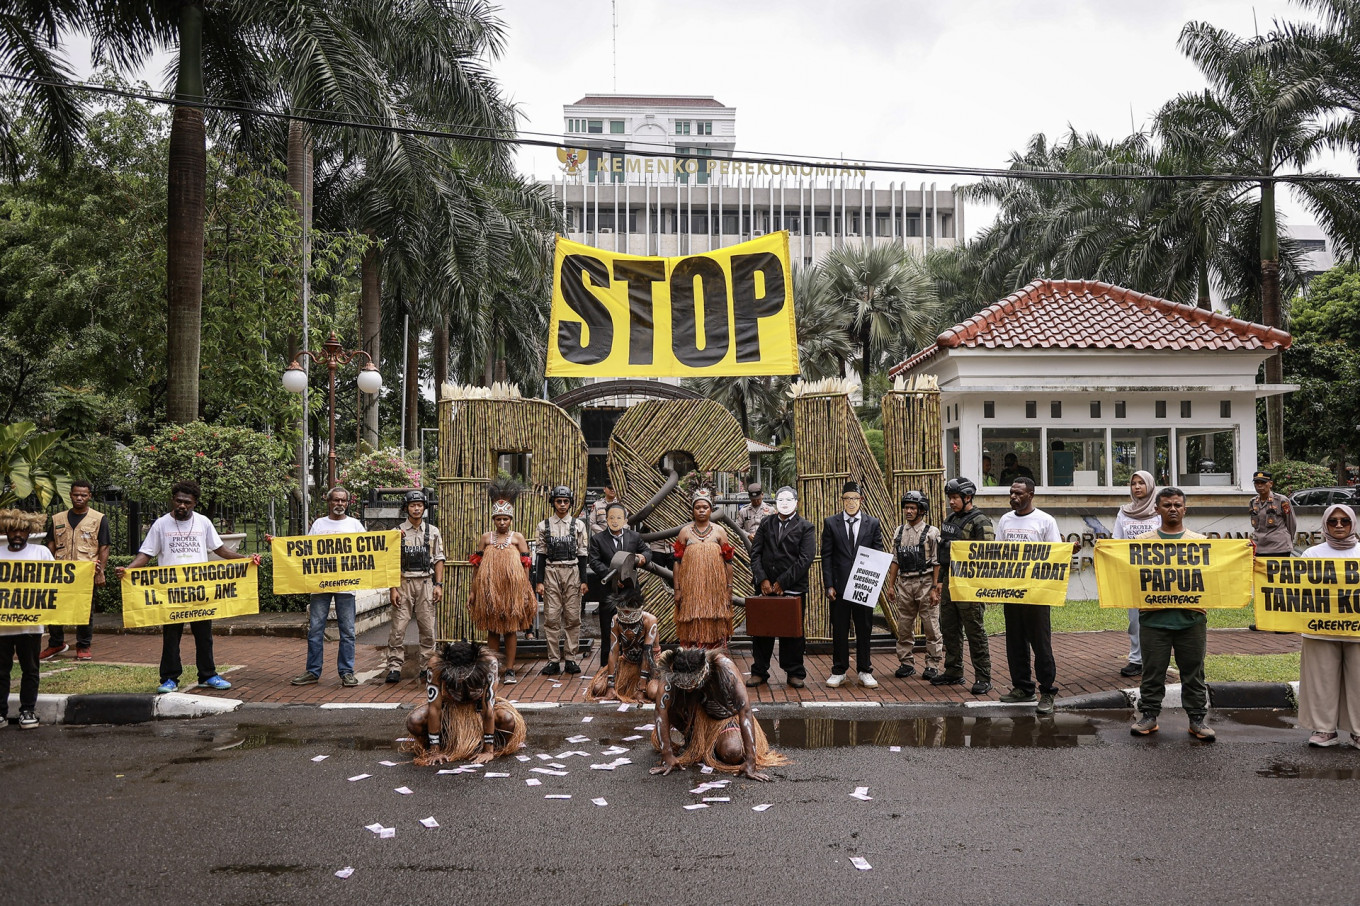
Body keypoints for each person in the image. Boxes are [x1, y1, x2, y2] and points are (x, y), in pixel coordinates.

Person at [116, 480, 259, 694]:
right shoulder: (161, 524)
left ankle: (208, 675)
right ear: (173, 500)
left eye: (187, 502)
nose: (182, 505)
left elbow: (219, 549)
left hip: (199, 589)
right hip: (171, 592)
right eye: (178, 501)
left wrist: (246, 559)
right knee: (171, 636)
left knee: (204, 634)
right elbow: (146, 553)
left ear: (195, 503)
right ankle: (169, 678)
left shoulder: (203, 522)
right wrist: (127, 570)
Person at [1129, 488, 1215, 741]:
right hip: (1154, 620)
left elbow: (1213, 578)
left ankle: (1197, 719)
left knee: (1194, 672)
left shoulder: (1199, 542)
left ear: (1185, 509)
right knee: (1152, 671)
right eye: (1167, 505)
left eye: (1178, 504)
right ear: (1157, 509)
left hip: (1191, 619)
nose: (1173, 509)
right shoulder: (1142, 543)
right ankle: (1149, 716)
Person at [995, 477, 1078, 714]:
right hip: (1012, 592)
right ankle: (1022, 687)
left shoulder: (1045, 521)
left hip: (1038, 594)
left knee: (1041, 645)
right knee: (1015, 642)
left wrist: (1068, 551)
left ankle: (1047, 691)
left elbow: (1054, 555)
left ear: (1031, 495)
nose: (1013, 497)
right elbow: (998, 553)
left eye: (1019, 493)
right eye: (1011, 493)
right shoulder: (1005, 520)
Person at [649, 647, 786, 780]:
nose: (690, 690)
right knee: (663, 698)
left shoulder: (725, 668)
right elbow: (661, 711)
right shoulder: (671, 673)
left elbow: (745, 710)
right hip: (695, 719)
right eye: (686, 686)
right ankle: (694, 741)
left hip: (725, 718)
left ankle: (712, 744)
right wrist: (666, 754)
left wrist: (751, 760)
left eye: (693, 684)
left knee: (732, 752)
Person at [280, 487, 366, 688]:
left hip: (346, 586)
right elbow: (305, 551)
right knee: (316, 629)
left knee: (348, 631)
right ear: (329, 502)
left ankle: (346, 672)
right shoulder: (319, 524)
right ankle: (312, 671)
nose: (339, 504)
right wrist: (278, 545)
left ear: (347, 503)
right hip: (320, 584)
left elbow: (370, 547)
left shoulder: (354, 524)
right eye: (336, 500)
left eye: (343, 501)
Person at [403, 641, 526, 766]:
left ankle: (491, 745)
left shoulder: (489, 663)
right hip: (451, 707)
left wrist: (488, 750)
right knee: (415, 721)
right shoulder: (435, 664)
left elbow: (488, 707)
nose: (461, 677)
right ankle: (440, 745)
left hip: (479, 707)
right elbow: (434, 708)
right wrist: (435, 752)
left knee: (507, 719)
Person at [1296, 504, 1360, 747]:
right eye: (1333, 521)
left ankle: (1358, 731)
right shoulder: (1312, 555)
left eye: (1345, 520)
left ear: (1353, 523)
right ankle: (1324, 730)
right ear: (1325, 524)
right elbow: (1297, 591)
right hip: (1319, 629)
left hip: (1357, 630)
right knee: (1320, 680)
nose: (1339, 525)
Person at [931, 478, 994, 695]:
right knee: (949, 626)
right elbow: (943, 554)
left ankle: (983, 676)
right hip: (950, 581)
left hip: (970, 584)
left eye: (955, 497)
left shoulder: (981, 521)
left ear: (967, 497)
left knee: (975, 629)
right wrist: (939, 582)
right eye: (949, 497)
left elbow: (987, 555)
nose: (951, 501)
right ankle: (953, 671)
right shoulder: (949, 519)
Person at [747, 486, 815, 689]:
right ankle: (759, 671)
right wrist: (763, 580)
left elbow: (805, 559)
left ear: (796, 501)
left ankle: (794, 672)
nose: (784, 503)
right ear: (776, 502)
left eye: (789, 499)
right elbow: (756, 552)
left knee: (792, 633)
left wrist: (782, 583)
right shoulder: (767, 523)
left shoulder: (806, 527)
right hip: (766, 588)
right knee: (761, 632)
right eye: (780, 499)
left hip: (792, 589)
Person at [468, 489, 534, 685]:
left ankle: (511, 669)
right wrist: (473, 591)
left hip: (512, 592)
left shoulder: (518, 538)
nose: (502, 522)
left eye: (505, 519)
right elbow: (476, 566)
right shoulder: (486, 538)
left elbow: (526, 565)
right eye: (499, 519)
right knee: (493, 629)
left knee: (511, 629)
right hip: (490, 592)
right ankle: (493, 667)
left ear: (511, 520)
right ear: (494, 520)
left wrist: (524, 590)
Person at [820, 480, 883, 688]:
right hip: (839, 587)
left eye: (855, 498)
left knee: (864, 628)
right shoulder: (831, 523)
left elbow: (877, 554)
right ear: (842, 500)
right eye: (847, 498)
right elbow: (826, 556)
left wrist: (873, 583)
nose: (851, 502)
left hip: (863, 587)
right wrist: (829, 584)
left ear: (861, 500)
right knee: (839, 629)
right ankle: (839, 670)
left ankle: (865, 669)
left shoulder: (872, 523)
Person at [41, 479, 109, 662]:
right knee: (54, 608)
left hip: (85, 574)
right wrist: (48, 570)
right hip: (60, 573)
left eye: (83, 495)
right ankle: (56, 643)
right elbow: (51, 545)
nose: (79, 498)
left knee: (85, 610)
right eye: (76, 494)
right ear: (70, 495)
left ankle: (83, 645)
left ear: (89, 496)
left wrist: (100, 571)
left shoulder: (99, 518)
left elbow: (104, 547)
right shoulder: (57, 519)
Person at [384, 490, 446, 685]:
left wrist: (438, 585)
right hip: (403, 583)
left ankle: (426, 666)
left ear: (424, 508)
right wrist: (393, 588)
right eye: (412, 505)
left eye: (420, 505)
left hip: (426, 583)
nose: (416, 508)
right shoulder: (397, 532)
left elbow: (439, 559)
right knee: (398, 628)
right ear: (406, 508)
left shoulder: (433, 531)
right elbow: (391, 562)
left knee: (427, 627)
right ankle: (394, 667)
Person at [884, 490, 944, 681]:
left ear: (921, 510)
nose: (908, 511)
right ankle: (906, 663)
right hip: (905, 583)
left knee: (931, 625)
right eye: (906, 507)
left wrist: (935, 589)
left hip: (926, 583)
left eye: (912, 508)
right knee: (904, 625)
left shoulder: (932, 533)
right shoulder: (899, 531)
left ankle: (933, 664)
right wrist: (891, 586)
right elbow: (895, 560)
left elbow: (937, 563)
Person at [1, 509, 52, 729]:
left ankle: (27, 711)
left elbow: (58, 580)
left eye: (23, 530)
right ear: (7, 531)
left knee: (30, 669)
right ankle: (0, 713)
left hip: (31, 625)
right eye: (14, 530)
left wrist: (89, 572)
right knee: (1, 670)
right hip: (2, 627)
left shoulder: (41, 552)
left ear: (29, 531)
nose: (18, 534)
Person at [586, 501, 651, 668]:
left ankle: (631, 665)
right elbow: (594, 561)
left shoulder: (634, 537)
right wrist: (613, 576)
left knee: (633, 628)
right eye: (611, 517)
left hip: (631, 591)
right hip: (608, 591)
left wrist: (643, 558)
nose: (615, 521)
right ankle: (606, 668)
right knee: (608, 628)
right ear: (606, 519)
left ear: (625, 519)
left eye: (619, 517)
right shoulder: (597, 539)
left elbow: (646, 551)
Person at [535, 485, 590, 676]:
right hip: (551, 571)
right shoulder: (544, 526)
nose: (562, 504)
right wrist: (539, 581)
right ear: (553, 502)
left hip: (572, 571)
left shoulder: (579, 525)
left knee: (573, 617)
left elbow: (583, 554)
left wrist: (584, 580)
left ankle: (571, 659)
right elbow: (540, 554)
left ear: (570, 503)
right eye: (559, 501)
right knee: (551, 617)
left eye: (566, 501)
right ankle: (553, 660)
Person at [673, 489, 736, 648]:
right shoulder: (685, 532)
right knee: (692, 619)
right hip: (691, 588)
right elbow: (677, 563)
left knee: (715, 618)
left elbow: (729, 562)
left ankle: (715, 657)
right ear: (693, 510)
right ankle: (692, 659)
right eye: (698, 507)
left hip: (715, 588)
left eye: (705, 507)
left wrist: (729, 588)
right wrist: (677, 589)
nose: (701, 510)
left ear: (711, 509)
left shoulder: (719, 531)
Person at [1113, 471, 1160, 679]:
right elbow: (1116, 542)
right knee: (1135, 621)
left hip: (1157, 575)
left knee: (1157, 617)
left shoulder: (1160, 511)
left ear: (1150, 485)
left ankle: (1156, 660)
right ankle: (1136, 660)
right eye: (1134, 483)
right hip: (1132, 574)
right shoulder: (1124, 512)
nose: (1137, 487)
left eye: (1142, 483)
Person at [587, 585, 662, 704]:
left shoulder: (650, 621)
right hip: (627, 663)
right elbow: (613, 652)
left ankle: (643, 687)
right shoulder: (616, 620)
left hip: (650, 666)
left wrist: (641, 688)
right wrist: (610, 687)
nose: (629, 629)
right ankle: (619, 688)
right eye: (625, 625)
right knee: (598, 687)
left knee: (653, 692)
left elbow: (647, 654)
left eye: (632, 625)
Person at [1249, 470, 1296, 557]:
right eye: (1256, 483)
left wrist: (1288, 541)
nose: (1259, 485)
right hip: (1259, 547)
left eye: (1263, 483)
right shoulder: (1253, 502)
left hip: (1278, 547)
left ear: (1270, 484)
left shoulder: (1281, 500)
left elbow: (1291, 523)